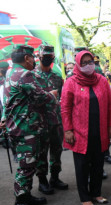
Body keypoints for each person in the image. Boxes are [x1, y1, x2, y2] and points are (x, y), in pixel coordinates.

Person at [1, 45, 58, 205]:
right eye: (33, 57)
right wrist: (53, 94)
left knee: (29, 164)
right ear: (26, 58)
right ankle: (19, 204)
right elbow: (40, 96)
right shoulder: (25, 74)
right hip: (25, 129)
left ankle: (26, 195)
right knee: (26, 167)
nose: (34, 60)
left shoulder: (10, 73)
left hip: (19, 127)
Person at [61, 50, 111, 205]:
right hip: (79, 132)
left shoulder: (102, 80)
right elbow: (65, 108)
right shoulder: (71, 82)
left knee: (98, 163)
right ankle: (85, 197)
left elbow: (109, 105)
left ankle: (96, 193)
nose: (88, 65)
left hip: (99, 131)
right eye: (83, 63)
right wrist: (68, 130)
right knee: (82, 166)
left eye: (90, 62)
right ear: (78, 64)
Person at [34, 44, 68, 195]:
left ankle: (55, 177)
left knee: (57, 150)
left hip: (55, 121)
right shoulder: (31, 76)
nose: (47, 59)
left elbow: (62, 99)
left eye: (50, 57)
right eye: (44, 57)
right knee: (41, 153)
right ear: (39, 57)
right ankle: (42, 181)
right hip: (39, 122)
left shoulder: (56, 77)